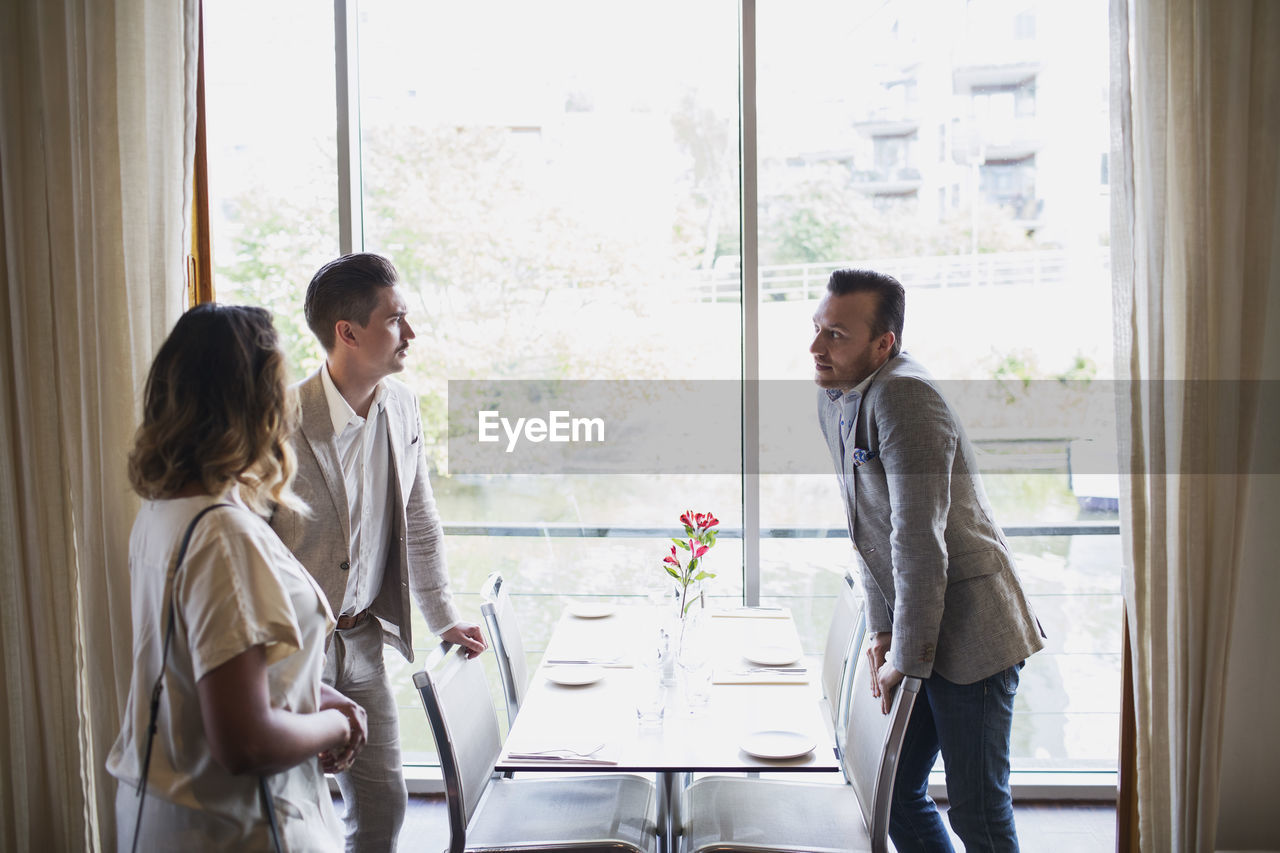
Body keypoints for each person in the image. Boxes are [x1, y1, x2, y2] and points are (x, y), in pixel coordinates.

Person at [108, 304, 368, 851]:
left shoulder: (164, 512)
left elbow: (209, 663)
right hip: (236, 825)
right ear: (257, 405)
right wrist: (340, 727)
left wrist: (315, 694)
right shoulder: (224, 533)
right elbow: (244, 741)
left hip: (162, 808)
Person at [810, 269, 1045, 852]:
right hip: (916, 623)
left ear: (883, 344)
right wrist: (884, 628)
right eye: (817, 328)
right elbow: (862, 524)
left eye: (836, 334)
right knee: (896, 797)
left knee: (978, 813)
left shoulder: (906, 396)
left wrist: (906, 658)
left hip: (973, 632)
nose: (817, 347)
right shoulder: (836, 396)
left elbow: (918, 538)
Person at [270, 252, 487, 851]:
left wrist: (444, 618)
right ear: (348, 332)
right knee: (299, 812)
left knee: (384, 805)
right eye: (396, 319)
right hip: (293, 653)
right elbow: (253, 552)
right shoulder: (277, 420)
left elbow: (419, 521)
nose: (410, 334)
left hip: (363, 640)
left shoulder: (403, 407)